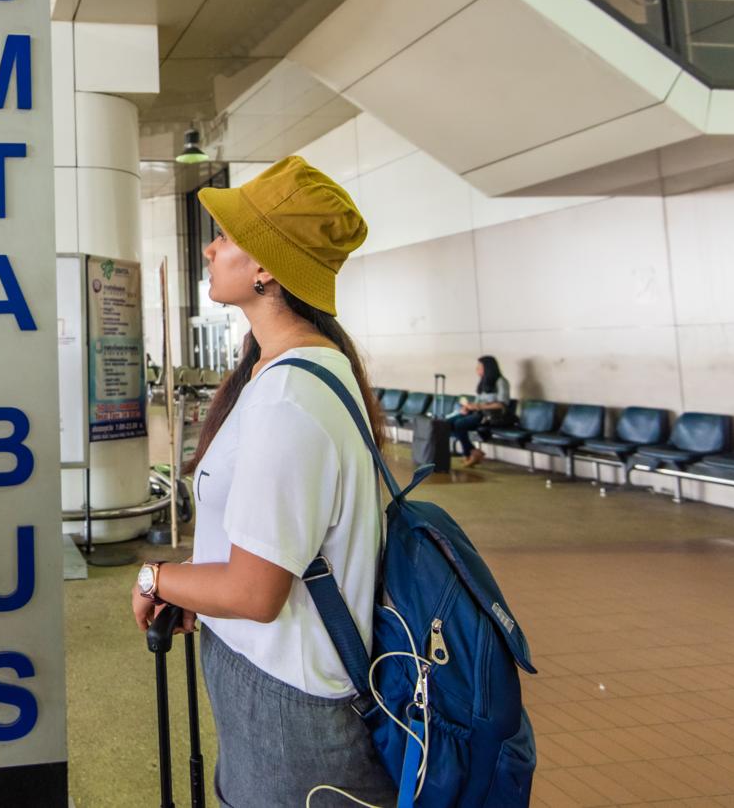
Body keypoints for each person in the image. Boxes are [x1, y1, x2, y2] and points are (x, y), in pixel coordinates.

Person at [129, 156, 395, 808]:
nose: (211, 246)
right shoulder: (291, 372)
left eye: (229, 234)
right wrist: (198, 591)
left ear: (268, 267)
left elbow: (255, 591)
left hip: (290, 710)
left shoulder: (291, 397)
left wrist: (155, 579)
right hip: (267, 682)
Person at [452, 355, 510, 466]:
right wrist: (468, 407)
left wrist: (479, 407)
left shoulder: (501, 382)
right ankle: (473, 451)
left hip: (491, 416)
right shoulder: (483, 383)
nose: (477, 369)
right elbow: (477, 401)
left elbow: (502, 404)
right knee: (448, 423)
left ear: (488, 368)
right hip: (478, 413)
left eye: (479, 367)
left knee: (459, 424)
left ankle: (469, 454)